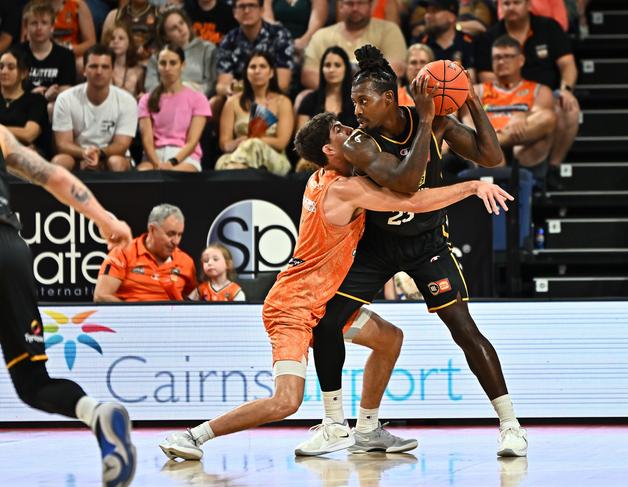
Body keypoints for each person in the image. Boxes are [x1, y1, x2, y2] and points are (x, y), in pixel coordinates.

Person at [157, 106, 513, 461]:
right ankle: (195, 436)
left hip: (321, 299)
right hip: (293, 307)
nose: (351, 131)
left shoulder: (324, 178)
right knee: (286, 401)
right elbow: (414, 200)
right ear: (329, 151)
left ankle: (367, 429)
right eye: (341, 130)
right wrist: (470, 186)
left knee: (389, 340)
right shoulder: (344, 188)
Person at [299, 45, 528, 458]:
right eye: (353, 102)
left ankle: (511, 426)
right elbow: (405, 184)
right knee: (326, 322)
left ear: (389, 98)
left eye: (363, 100)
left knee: (463, 328)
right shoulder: (358, 142)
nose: (356, 110)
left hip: (428, 245)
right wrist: (426, 121)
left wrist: (470, 98)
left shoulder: (436, 121)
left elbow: (491, 156)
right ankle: (336, 425)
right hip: (378, 246)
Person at [0, 125, 135, 486]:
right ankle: (97, 414)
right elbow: (53, 175)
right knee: (32, 383)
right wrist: (106, 219)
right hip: (9, 251)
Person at [474, 0, 580, 188]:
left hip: (541, 99)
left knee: (565, 109)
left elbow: (568, 65)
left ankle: (552, 168)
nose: (511, 7)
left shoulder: (549, 28)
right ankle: (494, 146)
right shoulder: (489, 37)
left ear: (529, 5)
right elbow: (492, 80)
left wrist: (566, 90)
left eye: (516, 2)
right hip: (500, 103)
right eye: (506, 3)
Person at [464, 35, 556, 181]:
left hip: (523, 149)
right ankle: (492, 143)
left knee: (548, 117)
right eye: (497, 57)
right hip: (487, 154)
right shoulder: (477, 90)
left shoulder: (539, 90)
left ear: (521, 60)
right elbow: (467, 120)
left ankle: (494, 141)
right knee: (485, 145)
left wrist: (523, 115)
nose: (501, 61)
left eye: (508, 56)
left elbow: (544, 118)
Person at [52, 45, 138, 172]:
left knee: (116, 162)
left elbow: (121, 145)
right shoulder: (65, 98)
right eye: (93, 66)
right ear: (84, 70)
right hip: (77, 155)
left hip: (108, 156)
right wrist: (85, 153)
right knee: (59, 161)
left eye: (105, 67)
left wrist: (100, 154)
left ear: (112, 70)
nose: (99, 71)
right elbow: (62, 144)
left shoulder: (127, 101)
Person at [94, 203, 197, 302]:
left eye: (180, 235)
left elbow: (193, 300)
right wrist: (139, 316)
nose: (176, 241)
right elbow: (101, 296)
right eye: (170, 234)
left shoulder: (186, 262)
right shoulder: (122, 253)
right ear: (152, 229)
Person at [215, 50, 293, 175]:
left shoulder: (283, 102)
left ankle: (235, 170)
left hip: (274, 158)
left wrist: (251, 140)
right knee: (223, 161)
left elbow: (281, 142)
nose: (257, 71)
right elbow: (225, 143)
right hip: (237, 153)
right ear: (246, 72)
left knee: (254, 144)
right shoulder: (232, 102)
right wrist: (236, 143)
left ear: (271, 72)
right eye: (252, 67)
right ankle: (238, 167)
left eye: (262, 66)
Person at [301, 0, 407, 90]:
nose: (355, 8)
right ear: (340, 6)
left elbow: (396, 68)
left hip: (375, 95)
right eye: (350, 3)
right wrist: (342, 93)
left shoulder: (389, 30)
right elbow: (308, 74)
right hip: (331, 97)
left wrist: (358, 90)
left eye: (360, 3)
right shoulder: (322, 35)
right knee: (304, 96)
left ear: (370, 5)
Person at [138, 44, 212, 172]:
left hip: (185, 156)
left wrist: (171, 163)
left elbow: (192, 141)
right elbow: (147, 141)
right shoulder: (146, 100)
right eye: (163, 63)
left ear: (182, 65)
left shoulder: (198, 99)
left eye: (173, 63)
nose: (167, 68)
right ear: (157, 66)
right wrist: (157, 164)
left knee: (174, 174)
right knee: (143, 174)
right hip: (154, 156)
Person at [214, 0, 296, 97]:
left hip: (273, 96)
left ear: (261, 10)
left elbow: (282, 84)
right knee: (216, 101)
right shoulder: (228, 40)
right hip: (238, 97)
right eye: (242, 6)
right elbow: (222, 85)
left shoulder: (280, 36)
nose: (247, 10)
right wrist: (231, 89)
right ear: (234, 12)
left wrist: (241, 86)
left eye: (252, 5)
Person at [19, 1, 76, 113]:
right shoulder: (15, 53)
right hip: (21, 106)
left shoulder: (66, 55)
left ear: (52, 27)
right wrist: (41, 95)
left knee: (53, 107)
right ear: (26, 27)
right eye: (34, 23)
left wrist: (47, 95)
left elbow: (67, 90)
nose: (39, 28)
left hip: (53, 105)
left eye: (44, 23)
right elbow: (9, 89)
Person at [144, 9, 217, 97]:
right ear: (166, 37)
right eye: (174, 28)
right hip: (166, 102)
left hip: (197, 101)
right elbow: (151, 87)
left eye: (181, 23)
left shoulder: (207, 48)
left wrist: (187, 93)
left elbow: (210, 84)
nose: (181, 29)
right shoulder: (157, 57)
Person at [0, 46, 51, 157]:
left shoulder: (36, 100)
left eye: (11, 67)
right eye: (1, 67)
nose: (3, 71)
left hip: (25, 155)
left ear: (23, 73)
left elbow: (29, 134)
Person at [296, 46, 356, 131]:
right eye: (327, 65)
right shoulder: (310, 100)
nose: (331, 70)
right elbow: (300, 139)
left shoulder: (356, 101)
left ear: (346, 69)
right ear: (322, 69)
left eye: (337, 65)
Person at [414, 0, 476, 81]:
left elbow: (473, 80)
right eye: (427, 11)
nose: (427, 16)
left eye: (434, 11)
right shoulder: (420, 42)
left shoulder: (469, 42)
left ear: (451, 16)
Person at [101, 0, 159, 66]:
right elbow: (104, 50)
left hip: (151, 66)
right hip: (119, 65)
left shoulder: (160, 15)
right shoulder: (114, 16)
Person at [262, 0, 327, 56]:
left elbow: (318, 21)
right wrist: (282, 42)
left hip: (307, 44)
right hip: (277, 42)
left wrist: (303, 41)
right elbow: (267, 17)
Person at [51, 0, 97, 73]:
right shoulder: (36, 6)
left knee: (81, 64)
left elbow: (91, 42)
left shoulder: (77, 5)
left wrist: (69, 50)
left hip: (72, 53)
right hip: (42, 52)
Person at [102, 23, 145, 98]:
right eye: (112, 38)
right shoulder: (101, 68)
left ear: (129, 43)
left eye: (121, 38)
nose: (116, 41)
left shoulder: (139, 71)